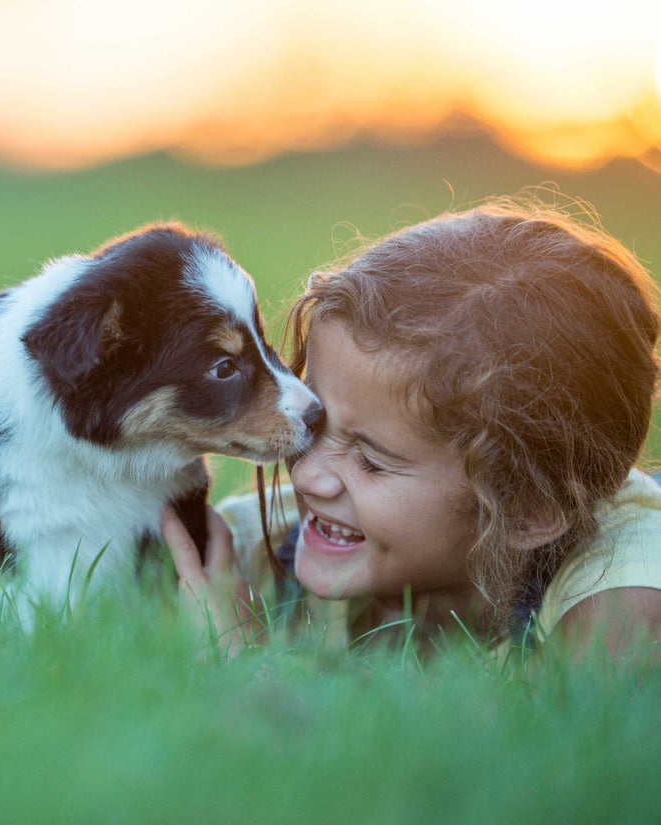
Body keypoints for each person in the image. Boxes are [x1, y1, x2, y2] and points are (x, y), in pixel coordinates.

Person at [162, 195, 661, 663]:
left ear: (528, 510)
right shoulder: (241, 556)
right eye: (314, 422)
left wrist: (235, 663)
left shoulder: (626, 594)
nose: (309, 477)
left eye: (371, 460)